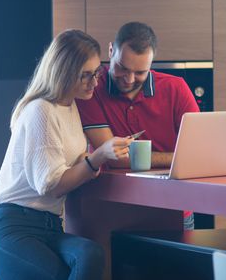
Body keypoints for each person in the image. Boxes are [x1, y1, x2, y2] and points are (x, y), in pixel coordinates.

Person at [0, 29, 133, 280]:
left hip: (51, 226)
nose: (94, 83)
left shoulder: (70, 107)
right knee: (63, 273)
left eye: (96, 73)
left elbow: (71, 168)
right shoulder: (41, 111)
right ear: (63, 72)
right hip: (15, 227)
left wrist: (98, 158)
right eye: (85, 76)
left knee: (91, 253)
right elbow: (51, 186)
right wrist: (97, 157)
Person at [75, 21, 200, 228]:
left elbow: (198, 153)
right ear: (111, 50)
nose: (129, 79)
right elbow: (114, 157)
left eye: (140, 72)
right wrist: (177, 159)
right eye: (122, 68)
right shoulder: (90, 91)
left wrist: (185, 159)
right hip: (112, 208)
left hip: (174, 207)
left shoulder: (176, 88)